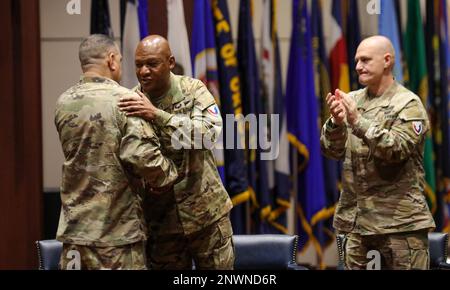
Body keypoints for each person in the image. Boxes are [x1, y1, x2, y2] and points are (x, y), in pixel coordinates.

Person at [54, 34, 179, 270]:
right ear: (112, 60)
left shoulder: (63, 102)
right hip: (117, 236)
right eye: (120, 60)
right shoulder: (126, 101)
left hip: (74, 236)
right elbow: (142, 157)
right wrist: (171, 175)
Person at [118, 35, 234, 270]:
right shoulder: (130, 101)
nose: (144, 71)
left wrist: (157, 116)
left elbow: (209, 134)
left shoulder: (193, 90)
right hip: (161, 221)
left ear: (170, 62)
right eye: (138, 64)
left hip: (206, 214)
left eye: (152, 63)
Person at [321, 36, 436, 270]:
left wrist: (356, 121)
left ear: (387, 61)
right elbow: (331, 151)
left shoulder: (408, 104)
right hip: (357, 223)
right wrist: (335, 123)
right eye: (356, 61)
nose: (357, 66)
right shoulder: (352, 99)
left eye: (365, 60)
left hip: (401, 225)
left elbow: (396, 149)